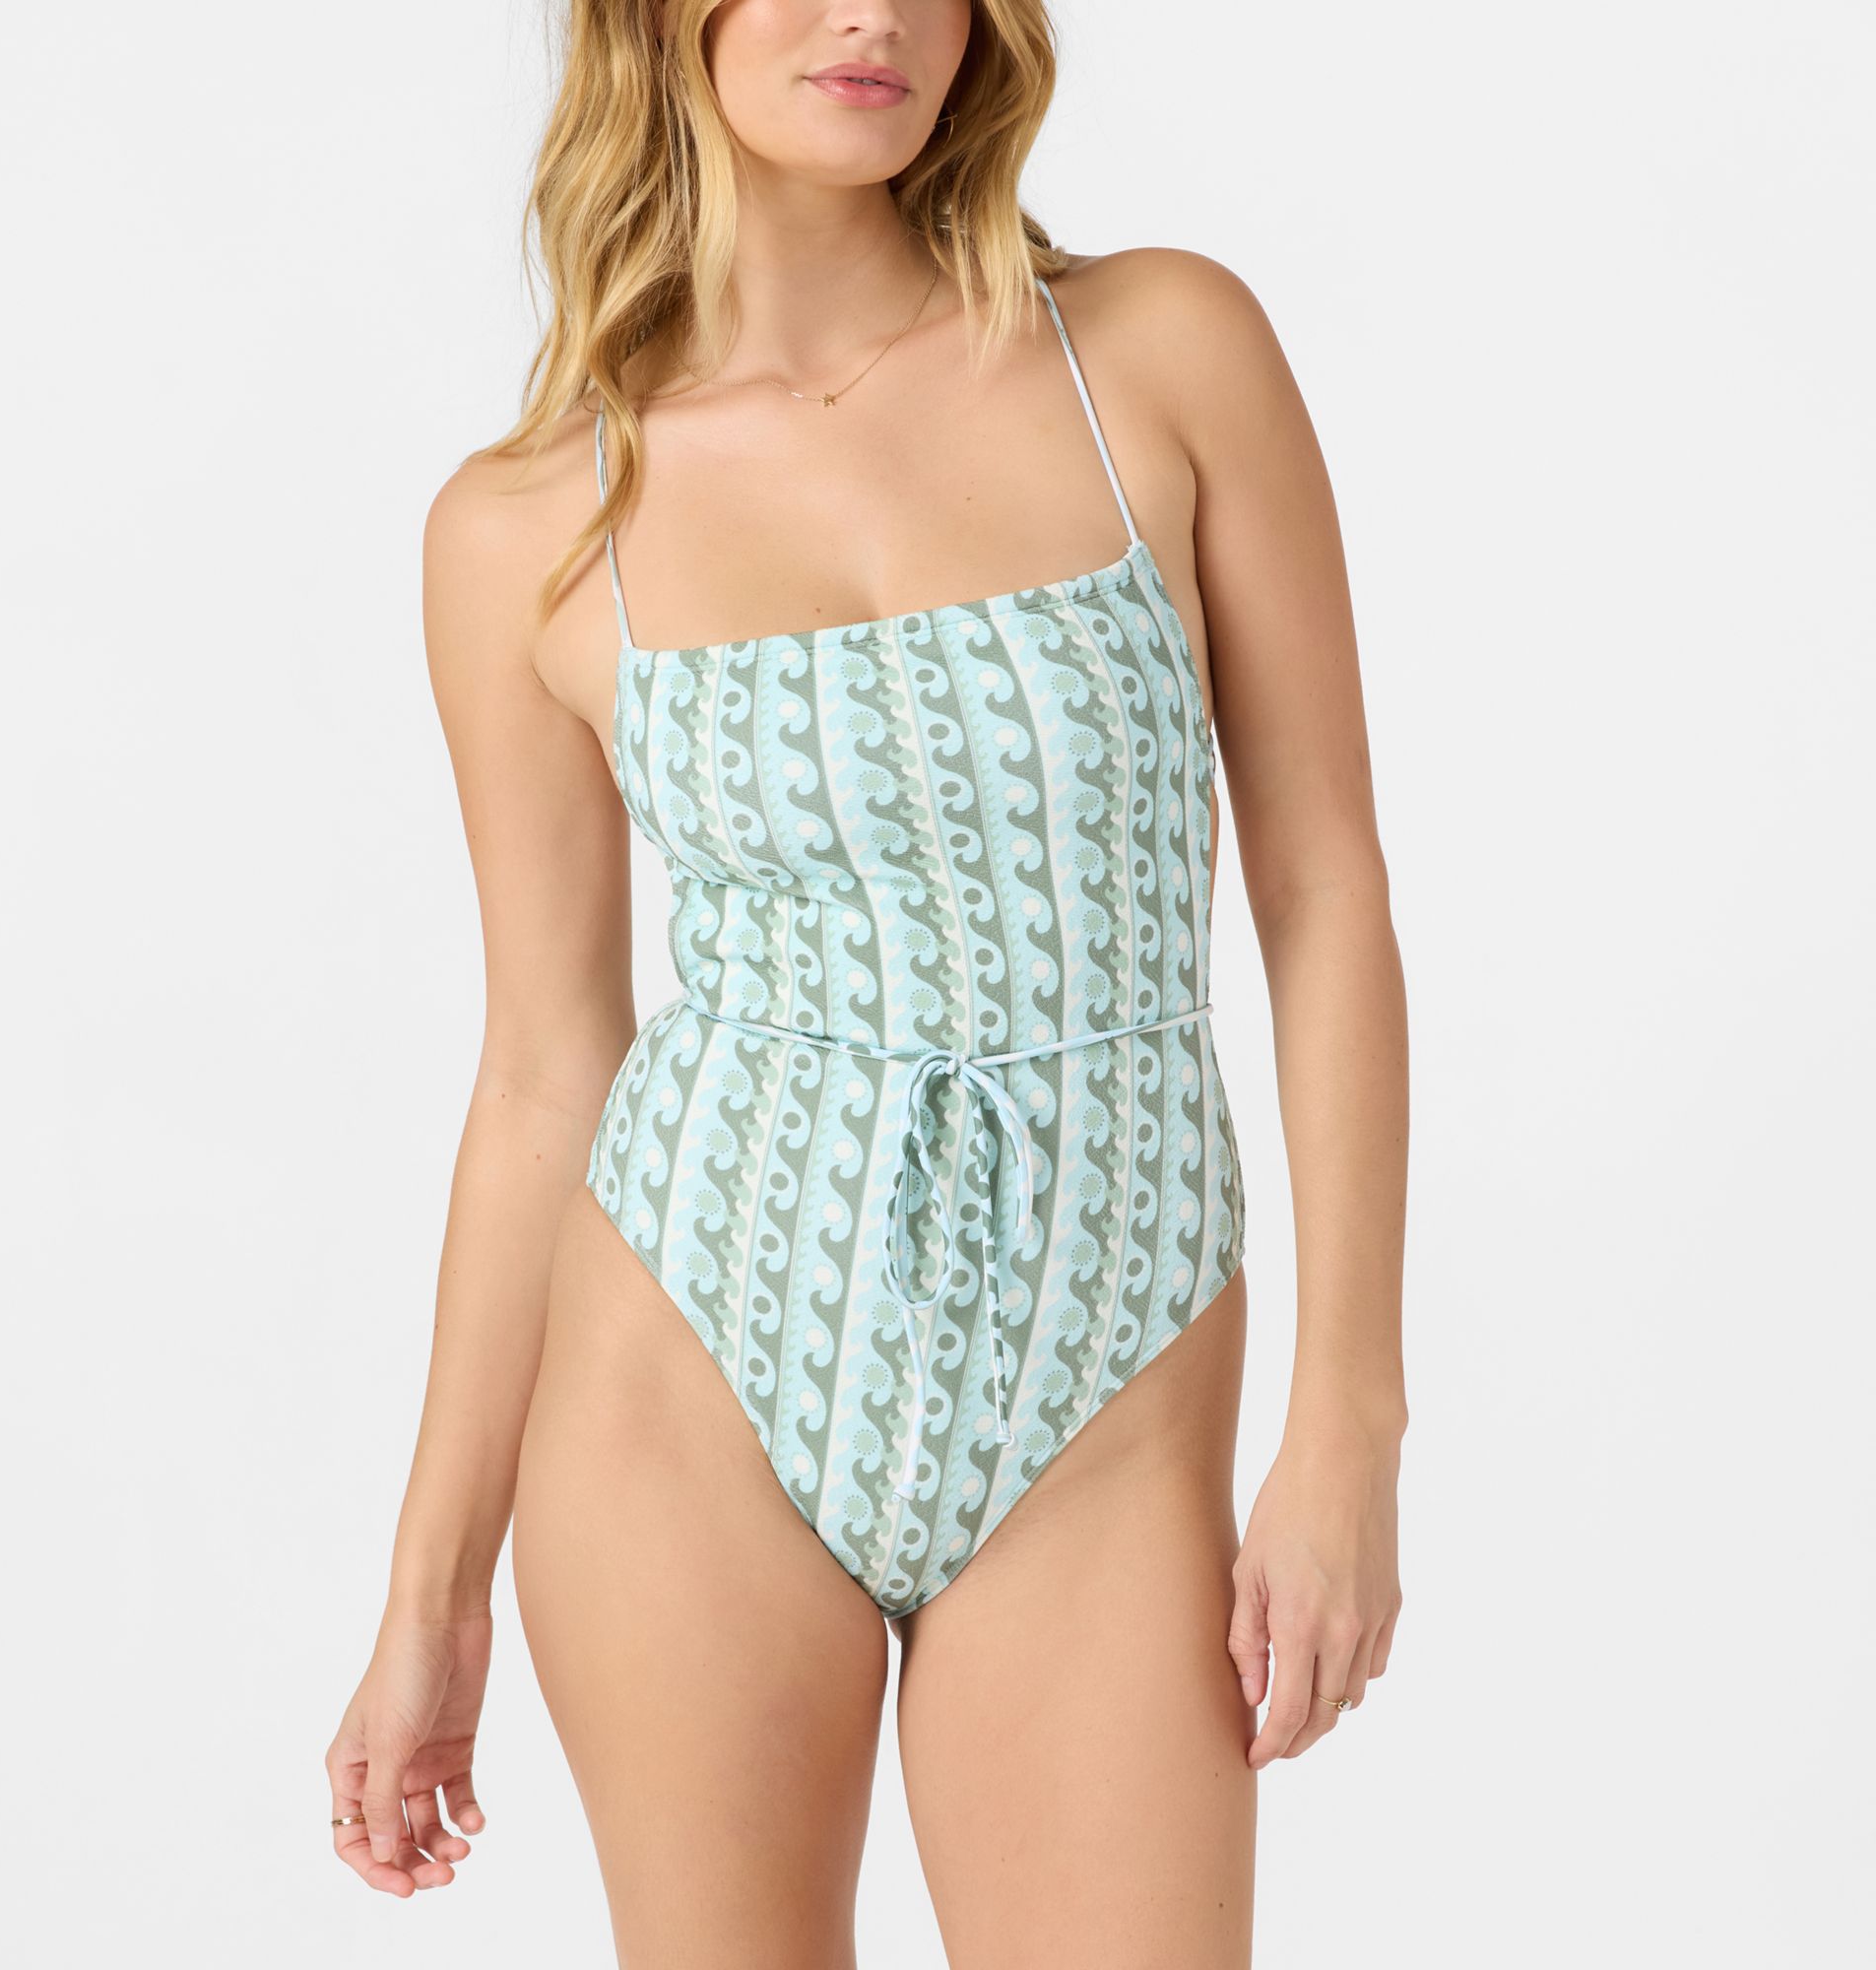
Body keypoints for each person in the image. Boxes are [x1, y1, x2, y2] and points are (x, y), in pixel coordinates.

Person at [326, 3, 1408, 1961]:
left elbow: (1323, 891)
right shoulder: (526, 527)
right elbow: (546, 1066)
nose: (875, 13)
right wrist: (431, 1594)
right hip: (690, 1377)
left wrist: (1348, 1424)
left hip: (1111, 1388)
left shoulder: (1159, 356)